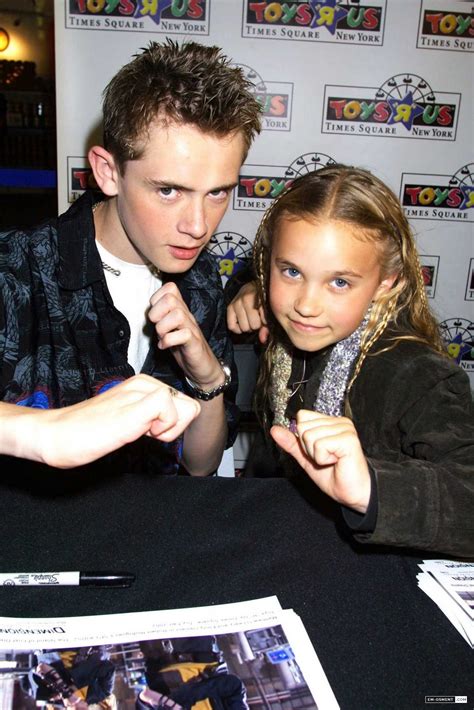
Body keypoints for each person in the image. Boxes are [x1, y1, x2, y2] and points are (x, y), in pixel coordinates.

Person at [0, 39, 262, 480]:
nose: (198, 226)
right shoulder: (15, 267)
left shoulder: (200, 284)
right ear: (108, 172)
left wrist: (208, 380)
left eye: (218, 192)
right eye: (168, 190)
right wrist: (44, 434)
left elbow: (200, 466)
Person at [226, 164, 473, 557]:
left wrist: (372, 488)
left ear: (386, 284)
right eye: (291, 271)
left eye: (339, 282)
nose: (306, 305)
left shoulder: (419, 376)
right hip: (287, 541)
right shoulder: (290, 326)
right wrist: (250, 290)